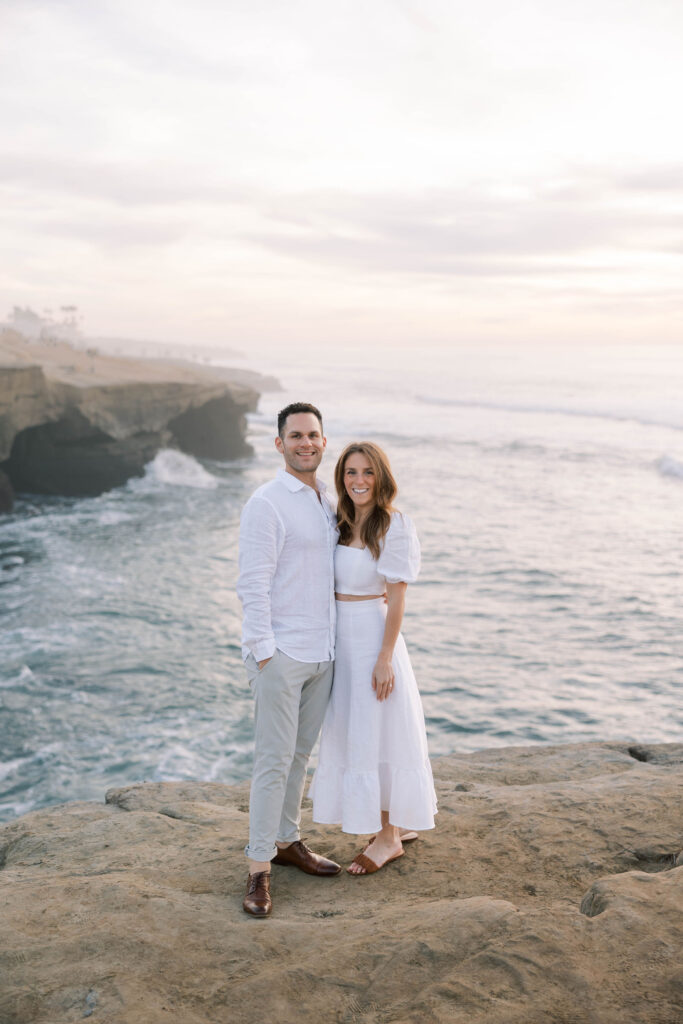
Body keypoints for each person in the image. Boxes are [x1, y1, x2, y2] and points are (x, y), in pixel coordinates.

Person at [309, 441, 437, 873]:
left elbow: (398, 600)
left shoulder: (393, 525)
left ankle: (388, 839)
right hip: (340, 638)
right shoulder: (340, 522)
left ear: (380, 476)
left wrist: (384, 657)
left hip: (373, 637)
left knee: (380, 730)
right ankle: (398, 823)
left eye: (367, 472)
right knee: (357, 730)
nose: (358, 481)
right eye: (350, 472)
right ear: (341, 478)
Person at [237, 402, 341, 917]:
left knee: (300, 757)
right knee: (272, 762)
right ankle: (258, 870)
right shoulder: (268, 502)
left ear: (325, 442)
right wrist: (263, 655)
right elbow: (252, 582)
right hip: (282, 655)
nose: (306, 443)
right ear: (279, 444)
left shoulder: (328, 500)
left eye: (314, 435)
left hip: (323, 652)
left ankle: (286, 841)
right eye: (295, 435)